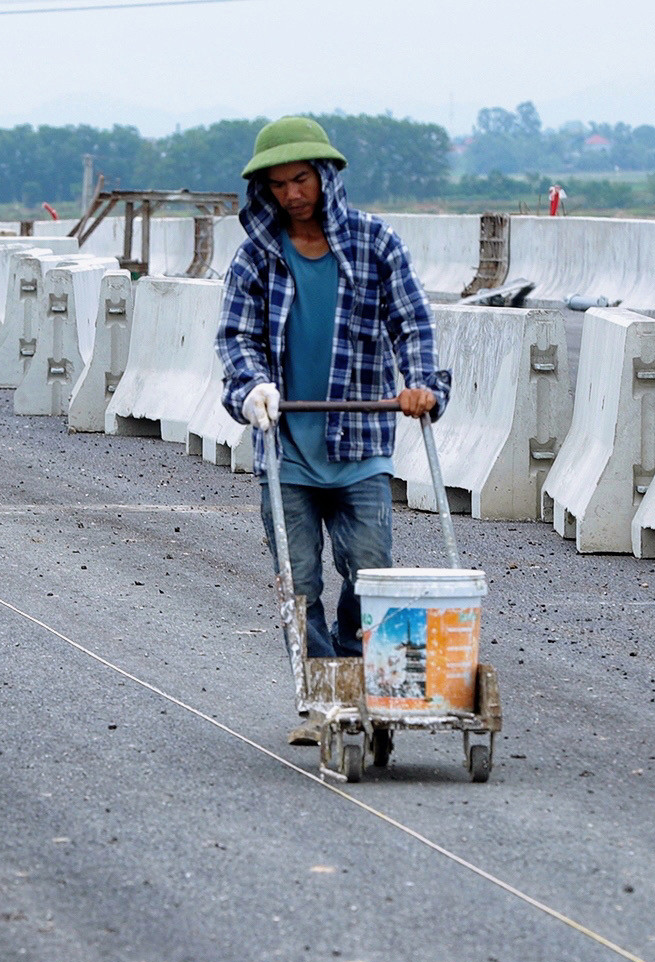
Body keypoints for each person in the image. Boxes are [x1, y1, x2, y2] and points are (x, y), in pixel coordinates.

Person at [216, 116, 449, 741]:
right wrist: (251, 388)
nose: (293, 195)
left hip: (360, 445)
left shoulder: (376, 243)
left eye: (302, 180)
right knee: (300, 582)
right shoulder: (257, 257)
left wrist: (422, 384)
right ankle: (324, 701)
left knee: (370, 569)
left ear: (325, 177)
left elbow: (412, 325)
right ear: (263, 192)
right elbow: (236, 337)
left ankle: (364, 682)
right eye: (279, 185)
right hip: (286, 446)